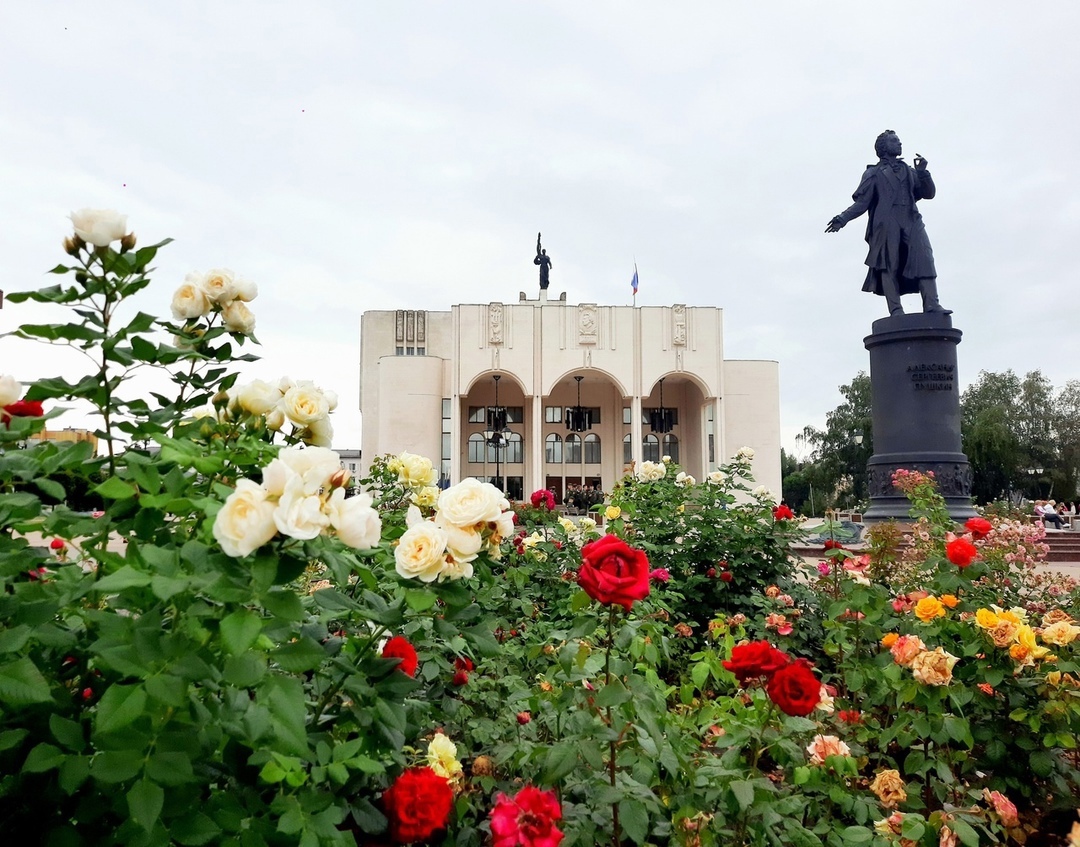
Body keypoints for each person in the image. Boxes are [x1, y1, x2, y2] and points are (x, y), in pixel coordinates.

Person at [826, 130, 949, 317]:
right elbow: (862, 203)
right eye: (895, 141)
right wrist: (842, 219)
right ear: (884, 147)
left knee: (924, 258)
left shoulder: (909, 170)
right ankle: (896, 309)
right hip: (887, 222)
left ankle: (932, 304)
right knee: (889, 264)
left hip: (911, 218)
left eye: (899, 141)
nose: (900, 144)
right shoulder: (873, 173)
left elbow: (928, 193)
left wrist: (923, 173)